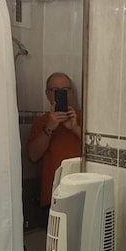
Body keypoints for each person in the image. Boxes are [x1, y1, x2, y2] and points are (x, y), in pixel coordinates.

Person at [26, 72, 82, 208]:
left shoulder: (85, 118)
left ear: (72, 93)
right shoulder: (41, 122)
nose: (61, 94)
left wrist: (75, 128)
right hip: (52, 197)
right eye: (55, 91)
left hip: (81, 192)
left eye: (65, 90)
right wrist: (49, 127)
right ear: (47, 94)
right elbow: (33, 156)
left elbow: (97, 150)